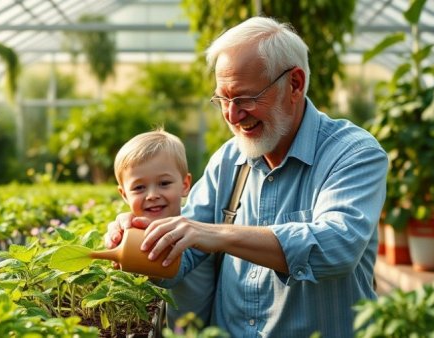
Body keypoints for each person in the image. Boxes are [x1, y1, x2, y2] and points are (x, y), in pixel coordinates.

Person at [105, 16, 388, 338]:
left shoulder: (352, 153)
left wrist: (220, 234)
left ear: (294, 84)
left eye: (245, 98)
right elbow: (183, 260)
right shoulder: (229, 159)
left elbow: (337, 248)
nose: (232, 115)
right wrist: (136, 239)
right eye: (222, 99)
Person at [113, 129, 212, 328]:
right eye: (139, 188)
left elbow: (171, 272)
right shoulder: (134, 232)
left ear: (185, 185)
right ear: (124, 195)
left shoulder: (198, 231)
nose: (152, 195)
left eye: (164, 183)